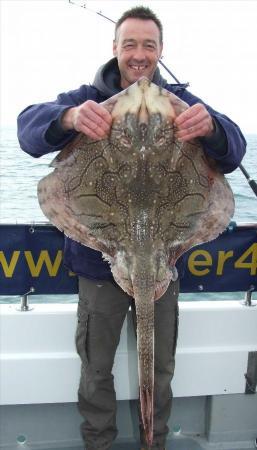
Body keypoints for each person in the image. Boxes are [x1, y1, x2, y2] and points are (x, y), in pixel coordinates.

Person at [17, 6, 246, 450]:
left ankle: (153, 443)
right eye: (130, 44)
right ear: (115, 48)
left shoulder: (182, 102)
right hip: (98, 259)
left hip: (162, 260)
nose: (139, 55)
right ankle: (99, 444)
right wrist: (68, 119)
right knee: (96, 368)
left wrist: (212, 127)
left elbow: (233, 148)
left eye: (149, 45)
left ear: (161, 50)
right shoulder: (85, 97)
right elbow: (28, 129)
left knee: (158, 368)